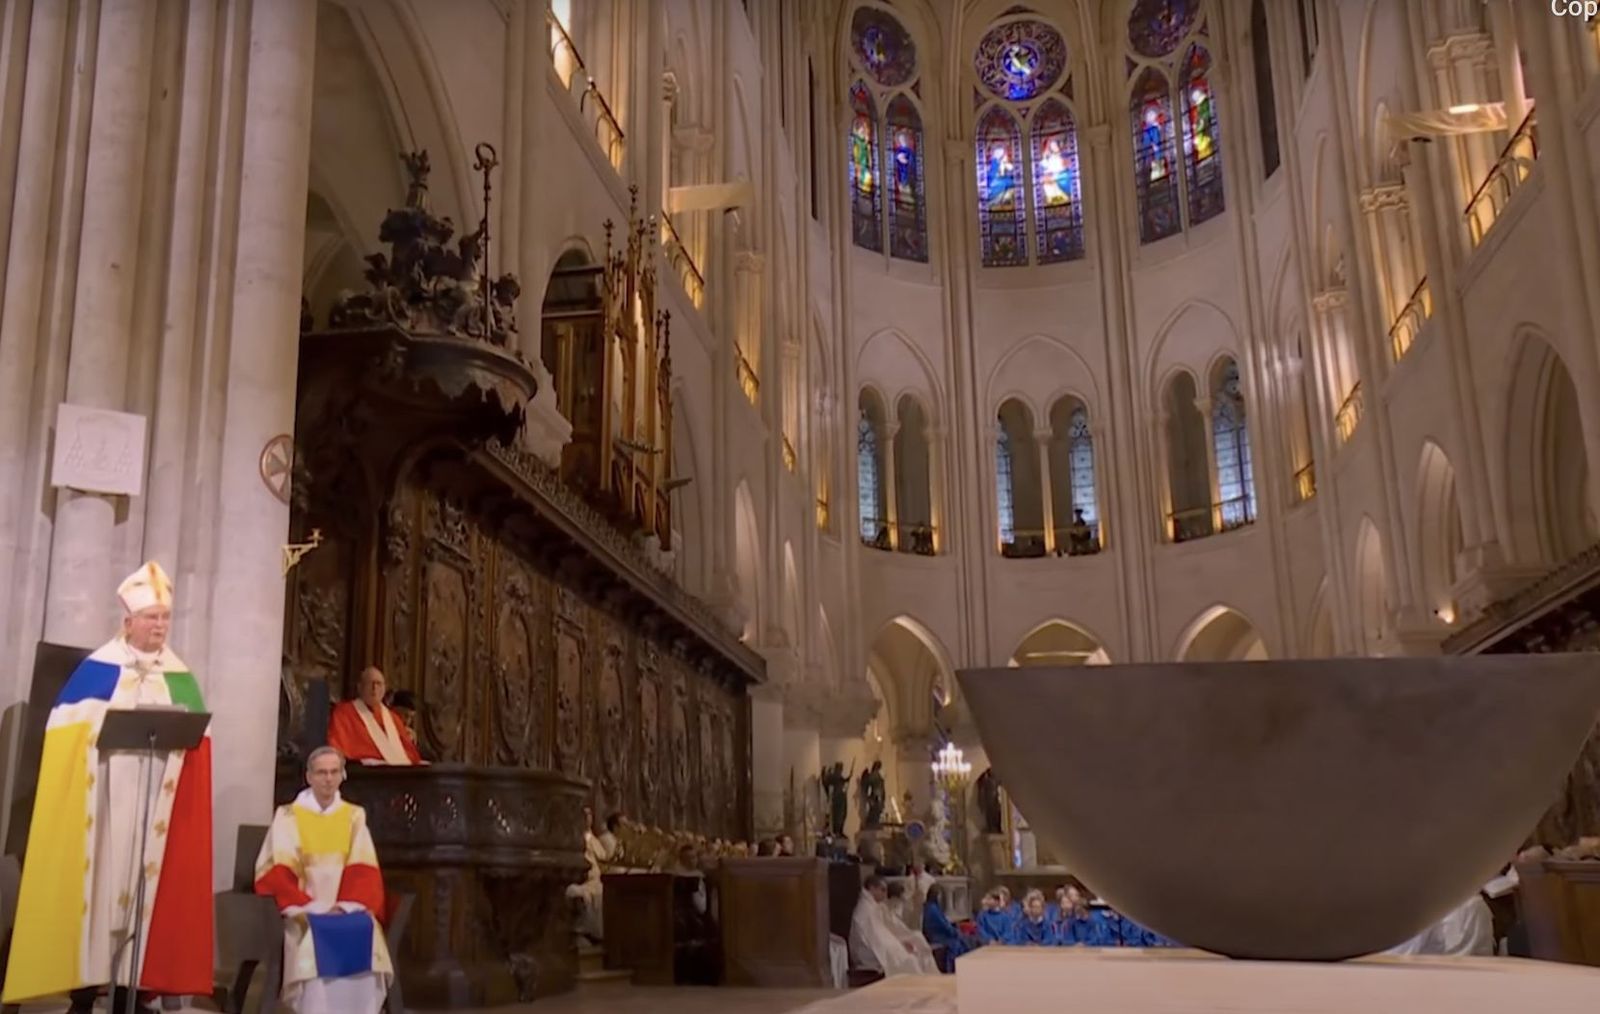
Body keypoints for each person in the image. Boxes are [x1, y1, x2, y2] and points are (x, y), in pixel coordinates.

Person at [4, 562, 213, 1014]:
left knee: (143, 894)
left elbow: (198, 737)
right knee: (97, 892)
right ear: (129, 621)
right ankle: (83, 991)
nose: (159, 626)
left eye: (164, 618)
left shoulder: (179, 674)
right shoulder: (100, 667)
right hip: (101, 803)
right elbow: (63, 724)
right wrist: (105, 722)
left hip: (153, 805)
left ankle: (131, 991)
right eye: (151, 617)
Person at [254, 746, 393, 1013]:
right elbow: (277, 871)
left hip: (346, 908)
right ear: (308, 777)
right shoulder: (288, 816)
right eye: (321, 773)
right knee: (315, 937)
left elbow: (363, 868)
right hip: (305, 911)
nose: (328, 779)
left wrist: (345, 907)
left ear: (342, 776)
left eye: (333, 772)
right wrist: (313, 907)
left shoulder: (354, 816)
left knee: (365, 931)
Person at [328, 666, 424, 765]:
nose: (375, 688)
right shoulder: (344, 712)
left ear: (384, 688)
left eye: (379, 684)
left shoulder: (393, 717)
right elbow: (337, 747)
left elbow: (409, 753)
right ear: (360, 687)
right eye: (370, 683)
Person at [848, 875, 938, 976]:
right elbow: (876, 937)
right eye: (882, 890)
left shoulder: (875, 906)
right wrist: (900, 946)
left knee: (918, 942)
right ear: (872, 888)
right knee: (909, 960)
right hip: (868, 952)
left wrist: (903, 941)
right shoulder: (866, 909)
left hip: (881, 945)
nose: (885, 894)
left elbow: (891, 929)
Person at [566, 809, 621, 941]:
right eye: (585, 816)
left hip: (597, 876)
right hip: (585, 876)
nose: (588, 819)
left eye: (590, 816)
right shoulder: (576, 837)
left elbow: (603, 856)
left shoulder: (592, 837)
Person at [920, 885, 974, 972]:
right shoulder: (932, 909)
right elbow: (943, 925)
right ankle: (953, 968)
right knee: (959, 943)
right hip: (938, 936)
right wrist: (955, 932)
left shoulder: (932, 907)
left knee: (964, 939)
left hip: (940, 933)